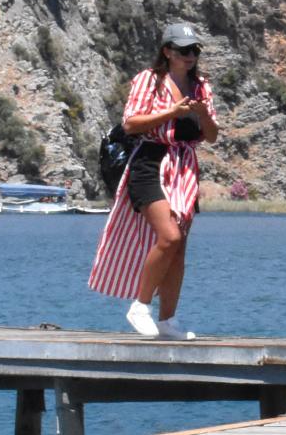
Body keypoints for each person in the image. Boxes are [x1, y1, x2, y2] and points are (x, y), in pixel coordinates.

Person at [88, 21, 217, 338]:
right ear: (167, 51)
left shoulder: (201, 86)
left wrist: (201, 115)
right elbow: (131, 123)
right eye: (184, 50)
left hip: (184, 168)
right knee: (169, 237)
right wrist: (171, 113)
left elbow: (211, 136)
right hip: (150, 162)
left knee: (179, 249)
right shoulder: (150, 81)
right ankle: (140, 305)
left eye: (195, 50)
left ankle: (167, 321)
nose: (190, 56)